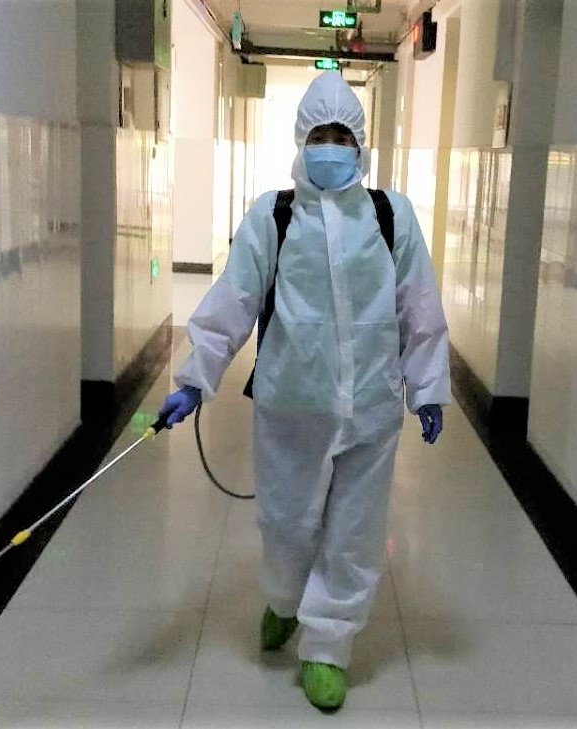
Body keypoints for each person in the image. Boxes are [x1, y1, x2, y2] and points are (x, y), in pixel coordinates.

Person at [159, 72, 450, 711]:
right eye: (320, 136)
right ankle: (285, 601)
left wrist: (428, 386)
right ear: (300, 141)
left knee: (355, 530)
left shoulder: (390, 215)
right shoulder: (274, 215)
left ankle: (327, 646)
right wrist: (194, 379)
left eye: (342, 136)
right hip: (291, 402)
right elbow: (234, 299)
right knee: (287, 520)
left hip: (371, 406)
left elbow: (419, 305)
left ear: (361, 143)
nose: (331, 148)